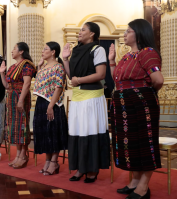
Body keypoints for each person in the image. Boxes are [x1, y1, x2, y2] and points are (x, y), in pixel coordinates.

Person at [109, 19, 163, 199]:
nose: (125, 34)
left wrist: (143, 94)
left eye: (129, 31)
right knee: (130, 144)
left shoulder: (148, 53)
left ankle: (143, 187)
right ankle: (134, 182)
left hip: (141, 104)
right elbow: (117, 80)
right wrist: (111, 62)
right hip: (124, 105)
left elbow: (158, 80)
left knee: (144, 144)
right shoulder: (126, 56)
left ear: (139, 33)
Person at [62, 22, 110, 183]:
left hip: (92, 97)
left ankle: (92, 169)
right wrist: (65, 59)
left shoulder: (98, 49)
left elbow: (101, 74)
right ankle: (80, 168)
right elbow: (71, 76)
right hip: (77, 97)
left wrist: (79, 80)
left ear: (92, 34)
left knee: (89, 131)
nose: (79, 32)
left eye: (83, 30)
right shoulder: (76, 50)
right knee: (77, 132)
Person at [33, 42, 68, 175]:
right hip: (41, 102)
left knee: (54, 132)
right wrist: (39, 66)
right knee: (44, 133)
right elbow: (39, 83)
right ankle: (47, 161)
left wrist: (51, 105)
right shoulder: (43, 67)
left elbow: (59, 87)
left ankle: (54, 162)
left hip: (53, 103)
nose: (42, 51)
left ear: (53, 52)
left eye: (45, 49)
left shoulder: (59, 67)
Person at [0, 42, 37, 169]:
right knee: (14, 127)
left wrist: (21, 101)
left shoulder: (26, 65)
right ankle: (18, 154)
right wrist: (1, 73)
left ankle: (23, 155)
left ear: (21, 51)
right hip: (11, 96)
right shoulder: (12, 67)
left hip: (20, 96)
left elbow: (27, 84)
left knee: (22, 125)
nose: (12, 51)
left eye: (14, 49)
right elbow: (6, 85)